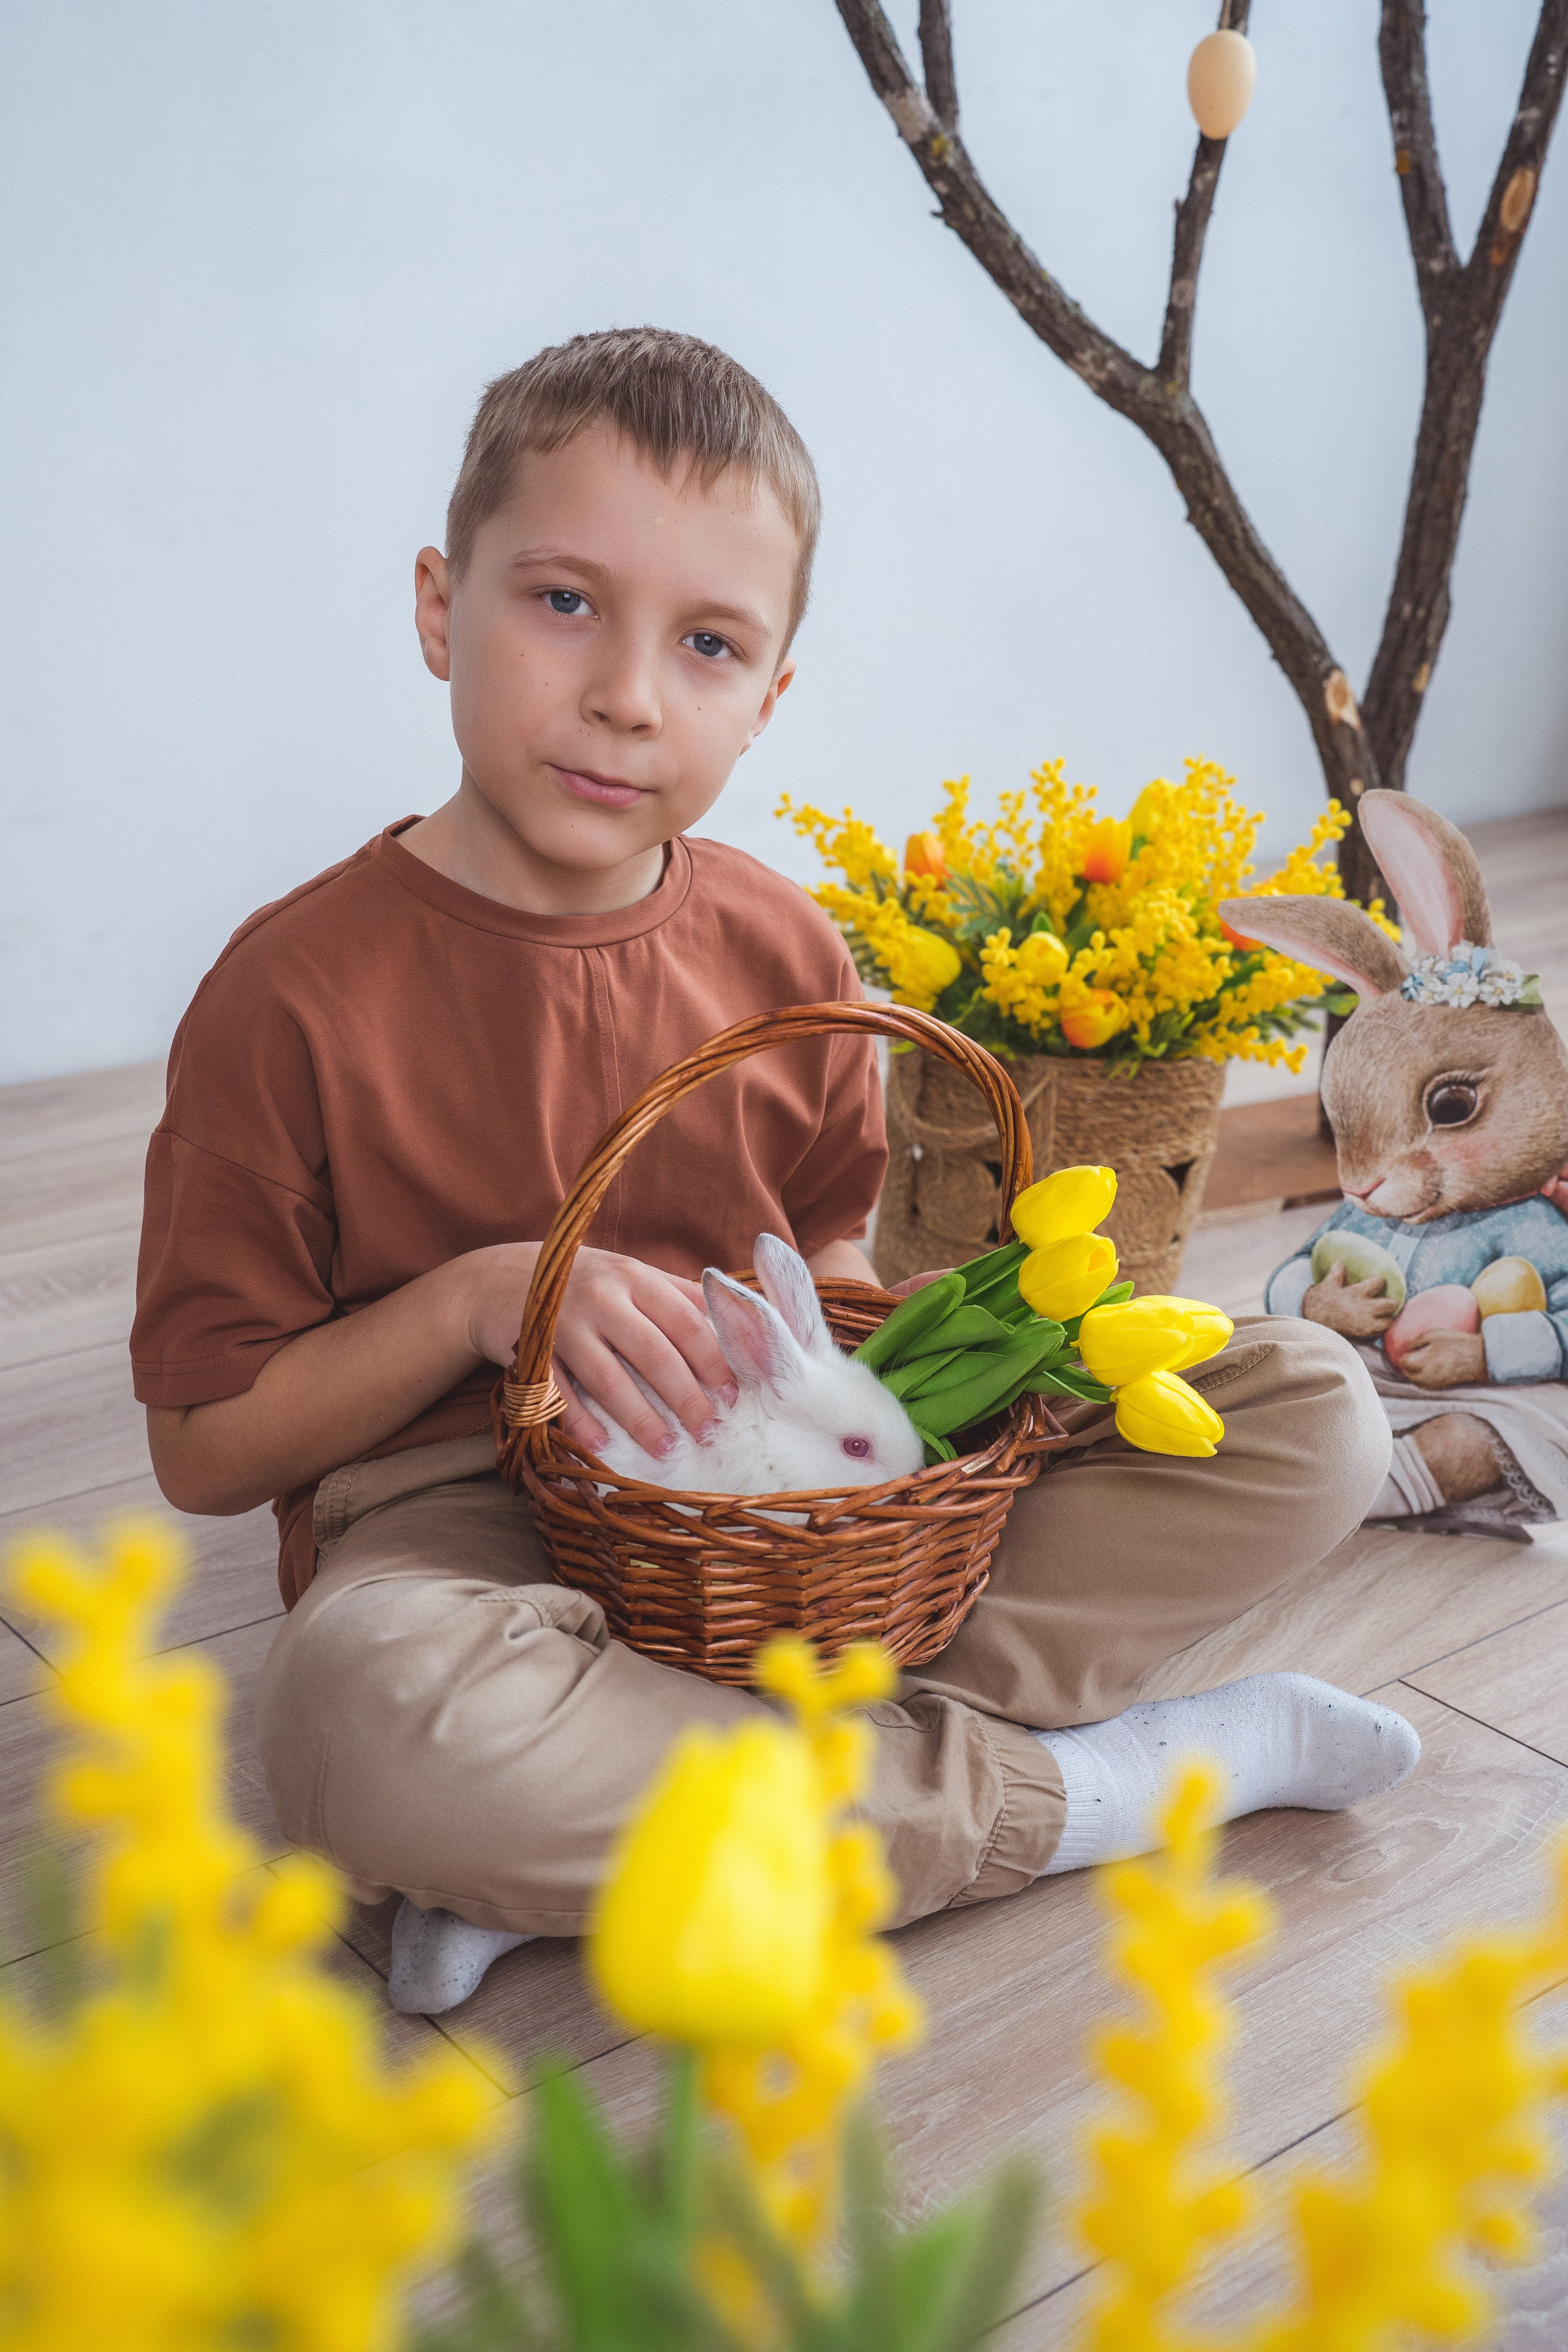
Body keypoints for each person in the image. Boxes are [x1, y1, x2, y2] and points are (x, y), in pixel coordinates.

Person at [132, 328, 1410, 2018]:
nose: (628, 694)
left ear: (770, 695)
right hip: (462, 1533)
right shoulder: (285, 995)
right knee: (355, 1719)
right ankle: (1110, 1789)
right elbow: (208, 1453)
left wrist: (872, 1428)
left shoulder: (781, 947)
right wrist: (473, 1303)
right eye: (564, 602)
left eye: (709, 642)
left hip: (791, 1533)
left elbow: (815, 1277)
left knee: (1311, 1408)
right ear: (444, 607)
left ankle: (592, 1838)